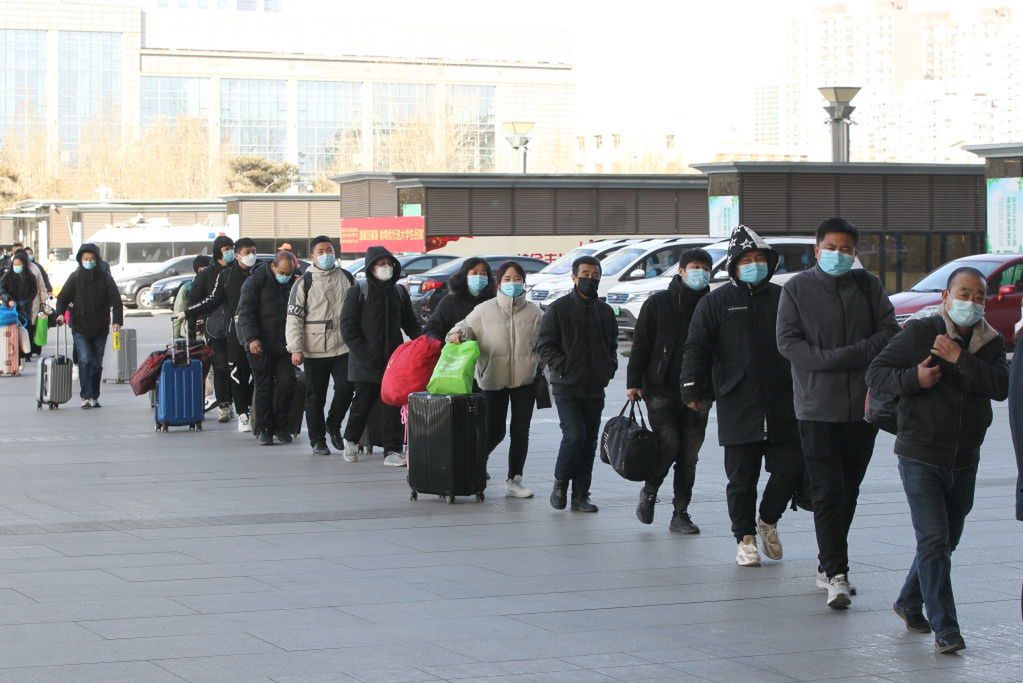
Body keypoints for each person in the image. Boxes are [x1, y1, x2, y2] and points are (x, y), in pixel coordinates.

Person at [866, 267, 1008, 654]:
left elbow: (1000, 387)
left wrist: (960, 357)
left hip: (965, 458)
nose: (971, 302)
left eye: (979, 296)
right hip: (920, 455)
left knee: (948, 541)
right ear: (946, 298)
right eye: (964, 294)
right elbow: (876, 372)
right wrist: (914, 379)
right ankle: (947, 629)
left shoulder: (991, 342)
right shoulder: (921, 332)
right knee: (933, 539)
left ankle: (909, 601)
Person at [777, 217, 900, 608]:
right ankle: (836, 572)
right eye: (831, 247)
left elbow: (888, 332)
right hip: (816, 408)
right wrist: (836, 360)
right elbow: (788, 343)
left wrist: (850, 356)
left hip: (862, 410)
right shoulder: (796, 288)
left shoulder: (869, 286)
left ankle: (826, 562)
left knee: (848, 491)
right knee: (828, 492)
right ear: (817, 250)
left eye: (846, 249)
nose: (839, 254)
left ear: (855, 253)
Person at [680, 226, 801, 567]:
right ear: (733, 265)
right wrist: (692, 387)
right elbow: (696, 347)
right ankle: (745, 538)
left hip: (783, 400)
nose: (754, 265)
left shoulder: (784, 299)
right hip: (738, 400)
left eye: (759, 259)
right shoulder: (715, 302)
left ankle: (768, 519)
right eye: (746, 260)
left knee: (791, 468)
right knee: (741, 478)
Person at [627, 248, 713, 533]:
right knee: (669, 444)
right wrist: (633, 381)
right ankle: (650, 493)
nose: (699, 272)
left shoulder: (713, 304)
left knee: (689, 455)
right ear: (681, 270)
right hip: (660, 388)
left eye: (705, 267)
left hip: (699, 391)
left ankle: (681, 512)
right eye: (694, 267)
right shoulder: (658, 303)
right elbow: (641, 344)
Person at [447, 261, 543, 498]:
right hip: (492, 380)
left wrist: (541, 363)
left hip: (525, 382)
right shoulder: (484, 310)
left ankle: (515, 479)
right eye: (507, 279)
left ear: (524, 283)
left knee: (521, 431)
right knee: (494, 431)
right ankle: (474, 467)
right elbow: (464, 327)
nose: (513, 283)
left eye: (517, 279)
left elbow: (547, 341)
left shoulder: (535, 313)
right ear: (498, 283)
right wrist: (456, 334)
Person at [535, 255, 618, 513]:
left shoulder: (605, 312)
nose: (589, 279)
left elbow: (612, 345)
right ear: (573, 277)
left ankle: (581, 495)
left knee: (589, 440)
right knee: (575, 436)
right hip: (566, 386)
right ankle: (560, 483)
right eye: (585, 274)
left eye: (595, 275)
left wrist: (609, 365)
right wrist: (563, 366)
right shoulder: (558, 309)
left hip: (595, 386)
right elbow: (544, 345)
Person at [339, 246, 422, 465]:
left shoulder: (399, 293)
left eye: (388, 264)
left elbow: (410, 323)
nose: (385, 268)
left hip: (392, 362)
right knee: (362, 403)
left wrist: (423, 341)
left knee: (392, 405)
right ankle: (350, 440)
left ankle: (392, 451)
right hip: (365, 361)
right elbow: (348, 327)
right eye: (380, 264)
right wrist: (365, 354)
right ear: (371, 267)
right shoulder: (358, 292)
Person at [286, 235, 356, 456]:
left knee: (346, 389)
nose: (326, 255)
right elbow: (294, 318)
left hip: (343, 346)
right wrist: (295, 348)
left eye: (329, 250)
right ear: (312, 256)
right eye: (321, 251)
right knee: (315, 395)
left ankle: (333, 424)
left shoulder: (346, 277)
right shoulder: (303, 282)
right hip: (314, 349)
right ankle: (317, 439)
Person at [188, 238, 258, 429]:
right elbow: (209, 300)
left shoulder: (260, 272)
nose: (251, 255)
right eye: (246, 252)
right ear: (236, 255)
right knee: (231, 371)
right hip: (227, 331)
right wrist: (189, 315)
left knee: (260, 373)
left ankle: (251, 407)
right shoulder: (224, 276)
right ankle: (239, 411)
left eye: (253, 251)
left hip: (259, 332)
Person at [236, 251, 300, 446]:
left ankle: (282, 426)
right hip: (259, 345)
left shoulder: (294, 282)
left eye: (289, 273)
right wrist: (252, 338)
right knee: (263, 386)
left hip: (284, 345)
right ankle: (265, 428)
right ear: (273, 267)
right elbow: (245, 312)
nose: (286, 276)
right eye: (282, 272)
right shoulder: (255, 282)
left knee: (287, 383)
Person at [53, 244, 123, 408]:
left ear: (97, 260)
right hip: (80, 326)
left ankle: (94, 395)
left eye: (91, 259)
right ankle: (86, 395)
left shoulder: (106, 278)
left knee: (97, 362)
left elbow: (116, 302)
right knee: (85, 360)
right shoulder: (75, 276)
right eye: (85, 259)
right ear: (80, 260)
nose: (89, 261)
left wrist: (117, 321)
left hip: (100, 326)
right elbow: (62, 298)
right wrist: (60, 314)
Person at [188, 235, 236, 421]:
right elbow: (193, 303)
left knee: (237, 367)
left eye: (232, 248)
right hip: (215, 329)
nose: (230, 252)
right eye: (226, 249)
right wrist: (192, 332)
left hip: (238, 330)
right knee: (221, 366)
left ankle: (237, 403)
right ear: (217, 253)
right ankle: (224, 404)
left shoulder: (239, 271)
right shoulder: (206, 275)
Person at [424, 258, 495, 341]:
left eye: (483, 273)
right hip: (458, 351)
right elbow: (432, 329)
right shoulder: (450, 301)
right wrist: (446, 340)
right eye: (474, 273)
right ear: (465, 276)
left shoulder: (493, 301)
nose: (479, 277)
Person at [0, 250, 39, 366]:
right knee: (11, 332)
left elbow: (33, 292)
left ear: (25, 264)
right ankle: (13, 356)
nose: (17, 267)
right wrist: (8, 299)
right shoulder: (8, 276)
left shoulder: (31, 277)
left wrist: (25, 303)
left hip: (25, 308)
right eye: (15, 265)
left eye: (19, 264)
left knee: (25, 330)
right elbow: (1, 289)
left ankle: (25, 354)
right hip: (9, 309)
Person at [172, 255, 211, 339]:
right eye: (209, 267)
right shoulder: (187, 288)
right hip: (190, 334)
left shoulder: (216, 285)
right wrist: (175, 339)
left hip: (210, 333)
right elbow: (178, 314)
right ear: (200, 269)